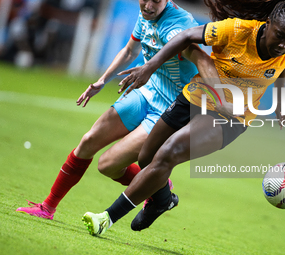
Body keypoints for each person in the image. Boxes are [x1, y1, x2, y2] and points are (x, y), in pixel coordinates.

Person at [81, 0, 285, 236]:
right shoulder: (237, 30)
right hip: (195, 96)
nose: (284, 45)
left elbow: (282, 65)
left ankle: (106, 218)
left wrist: (281, 100)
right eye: (280, 35)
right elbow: (187, 36)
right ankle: (162, 200)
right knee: (147, 157)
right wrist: (149, 67)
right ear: (268, 23)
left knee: (169, 152)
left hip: (231, 117)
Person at [16, 0, 200, 220]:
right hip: (147, 91)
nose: (148, 5)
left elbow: (202, 65)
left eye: (156, 0)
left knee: (108, 166)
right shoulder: (146, 14)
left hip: (169, 109)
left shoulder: (181, 26)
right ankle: (47, 208)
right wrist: (102, 80)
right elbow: (130, 51)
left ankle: (156, 186)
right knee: (88, 141)